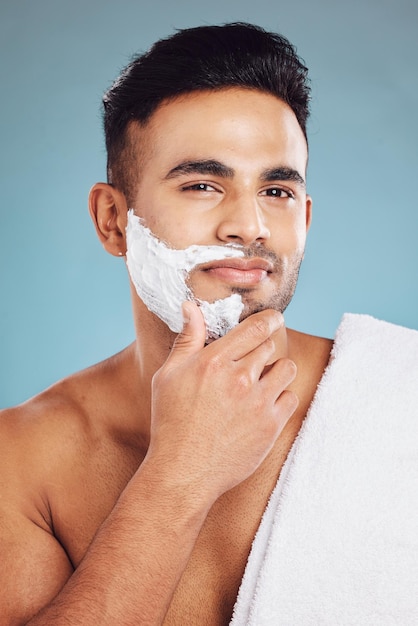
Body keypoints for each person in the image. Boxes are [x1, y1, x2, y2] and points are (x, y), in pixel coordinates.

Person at [1, 22, 417, 626]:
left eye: (276, 189)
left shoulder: (402, 394)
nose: (249, 224)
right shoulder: (22, 459)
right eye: (202, 184)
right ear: (113, 220)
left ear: (304, 218)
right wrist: (182, 473)